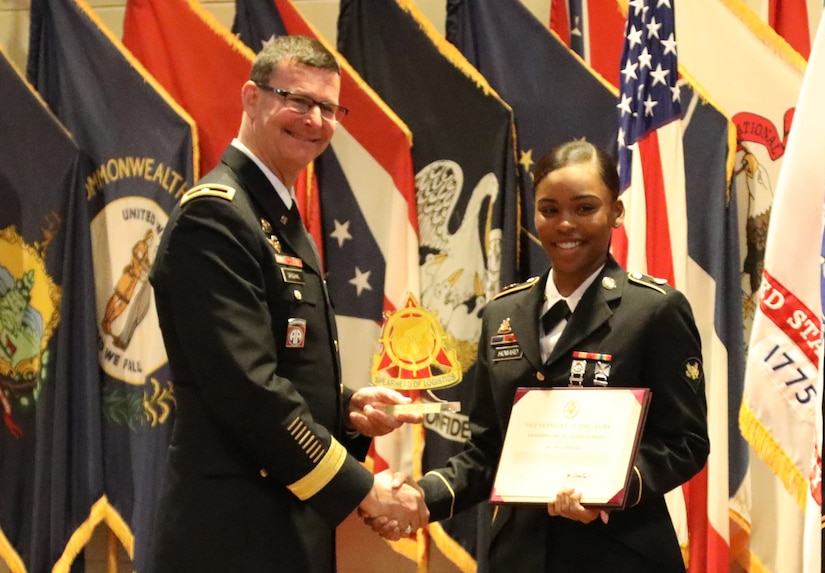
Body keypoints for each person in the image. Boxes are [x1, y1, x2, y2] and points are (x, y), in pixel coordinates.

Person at [147, 35, 428, 573]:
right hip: (232, 535)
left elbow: (279, 359)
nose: (315, 120)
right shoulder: (218, 216)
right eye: (297, 100)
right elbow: (247, 389)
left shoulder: (273, 212)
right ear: (252, 98)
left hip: (282, 520)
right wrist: (362, 488)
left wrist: (342, 405)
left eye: (329, 107)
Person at [370, 140, 709, 572]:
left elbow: (686, 442)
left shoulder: (653, 310)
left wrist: (609, 489)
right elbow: (488, 448)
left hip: (620, 553)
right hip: (519, 555)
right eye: (549, 209)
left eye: (585, 208)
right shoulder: (502, 313)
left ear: (616, 213)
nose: (565, 223)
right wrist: (422, 496)